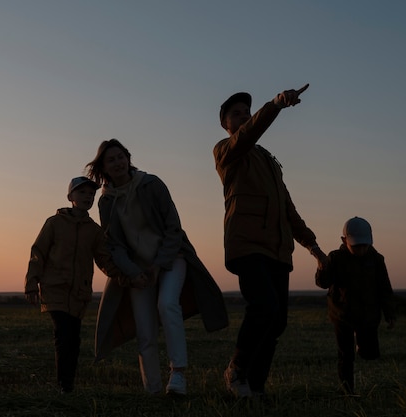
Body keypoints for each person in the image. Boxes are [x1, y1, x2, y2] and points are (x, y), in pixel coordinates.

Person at [85, 139, 228, 396]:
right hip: (136, 269)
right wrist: (132, 273)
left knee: (167, 304)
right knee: (144, 328)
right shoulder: (106, 201)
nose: (117, 163)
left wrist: (158, 265)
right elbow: (114, 244)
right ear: (103, 168)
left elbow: (174, 227)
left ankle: (178, 375)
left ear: (128, 158)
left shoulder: (152, 185)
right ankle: (152, 389)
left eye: (120, 157)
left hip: (171, 257)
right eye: (111, 160)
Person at [214, 84, 328, 398]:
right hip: (247, 244)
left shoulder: (269, 161)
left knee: (277, 322)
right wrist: (275, 104)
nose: (243, 117)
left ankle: (255, 385)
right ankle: (236, 369)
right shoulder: (226, 151)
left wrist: (314, 248)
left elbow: (287, 209)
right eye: (236, 114)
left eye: (246, 112)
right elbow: (249, 134)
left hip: (279, 249)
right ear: (226, 124)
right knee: (263, 306)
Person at [25, 176, 120, 394]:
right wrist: (31, 283)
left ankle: (67, 384)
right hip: (55, 289)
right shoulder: (54, 223)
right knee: (64, 334)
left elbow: (104, 259)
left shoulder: (95, 231)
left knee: (74, 339)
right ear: (70, 197)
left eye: (91, 194)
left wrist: (124, 276)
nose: (87, 197)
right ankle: (64, 385)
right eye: (82, 193)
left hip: (79, 293)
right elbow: (38, 253)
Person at [315, 216, 396, 395]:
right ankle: (348, 391)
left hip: (368, 314)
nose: (361, 250)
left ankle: (361, 343)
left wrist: (390, 313)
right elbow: (323, 283)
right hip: (342, 314)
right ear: (344, 240)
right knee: (345, 356)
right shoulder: (335, 258)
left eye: (364, 245)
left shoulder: (377, 259)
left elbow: (385, 288)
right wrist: (322, 267)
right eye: (356, 246)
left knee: (370, 354)